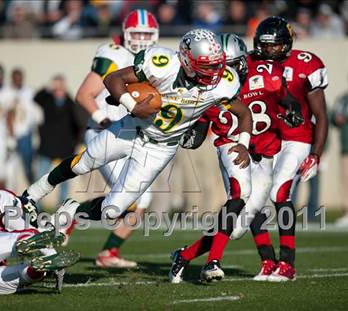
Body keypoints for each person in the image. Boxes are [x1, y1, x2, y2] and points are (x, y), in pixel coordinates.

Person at [23, 29, 252, 254]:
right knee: (84, 163)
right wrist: (131, 105)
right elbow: (113, 78)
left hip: (159, 149)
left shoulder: (223, 82)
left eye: (216, 64)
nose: (215, 72)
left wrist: (243, 141)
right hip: (131, 128)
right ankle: (34, 192)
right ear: (186, 60)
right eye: (207, 66)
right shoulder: (163, 64)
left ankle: (72, 210)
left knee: (112, 210)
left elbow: (244, 114)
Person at [168, 33, 303, 283]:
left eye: (234, 64)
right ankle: (213, 263)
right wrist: (189, 132)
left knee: (236, 229)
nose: (228, 71)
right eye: (222, 66)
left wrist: (292, 110)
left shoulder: (264, 74)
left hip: (264, 154)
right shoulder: (207, 88)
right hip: (230, 144)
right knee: (239, 195)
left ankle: (184, 256)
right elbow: (197, 132)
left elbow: (287, 98)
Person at [238, 16, 328, 282]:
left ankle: (287, 263)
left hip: (296, 138)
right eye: (265, 45)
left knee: (279, 191)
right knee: (252, 196)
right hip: (264, 139)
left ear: (287, 44)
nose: (269, 50)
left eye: (275, 46)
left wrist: (316, 155)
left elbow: (320, 115)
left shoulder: (305, 64)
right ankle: (267, 260)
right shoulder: (249, 63)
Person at [75, 9, 158, 268]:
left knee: (142, 200)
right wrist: (102, 119)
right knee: (130, 198)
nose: (142, 39)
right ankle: (70, 216)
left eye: (147, 34)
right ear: (125, 33)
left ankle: (109, 252)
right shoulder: (113, 53)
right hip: (105, 132)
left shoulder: (155, 59)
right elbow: (84, 94)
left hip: (132, 136)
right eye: (137, 33)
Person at [34, 75, 84, 205]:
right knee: (41, 178)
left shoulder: (69, 103)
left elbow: (78, 123)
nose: (59, 88)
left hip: (65, 147)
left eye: (61, 85)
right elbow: (36, 98)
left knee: (65, 180)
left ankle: (62, 205)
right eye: (56, 85)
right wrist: (48, 87)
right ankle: (36, 205)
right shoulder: (47, 99)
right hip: (47, 147)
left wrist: (77, 143)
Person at [332, 84, 348, 227]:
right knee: (345, 180)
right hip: (345, 146)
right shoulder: (343, 98)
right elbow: (332, 116)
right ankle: (346, 213)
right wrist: (336, 118)